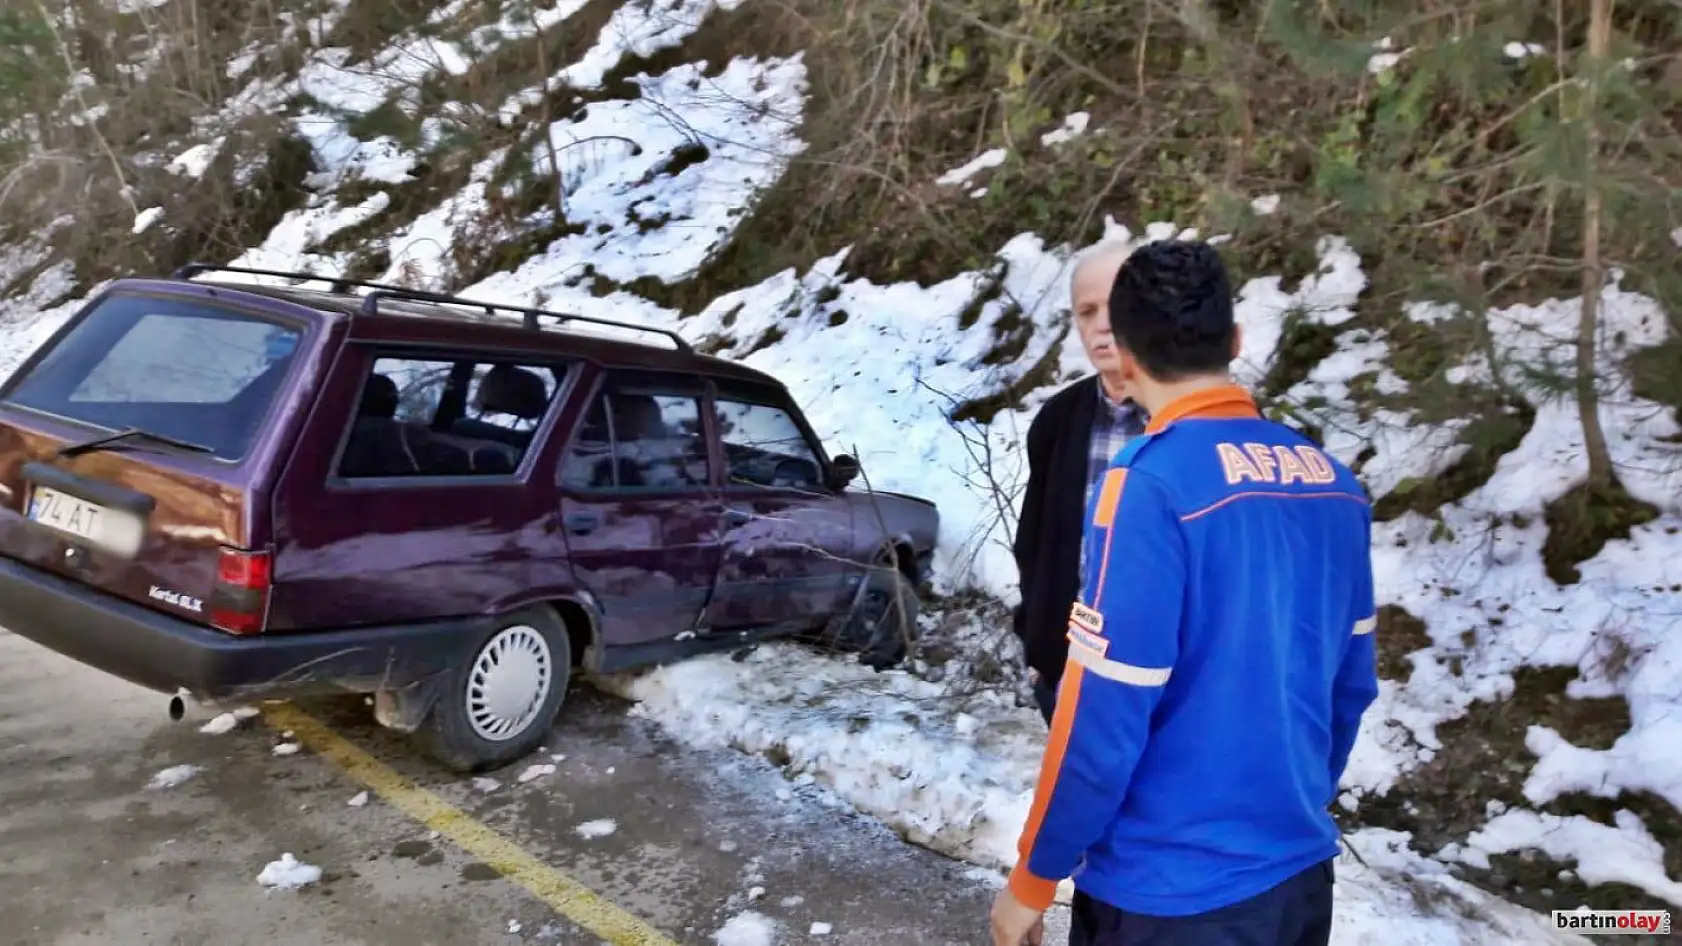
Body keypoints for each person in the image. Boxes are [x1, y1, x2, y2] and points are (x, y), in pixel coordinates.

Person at [989, 239, 1380, 946]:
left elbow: (1103, 717)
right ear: (1234, 340)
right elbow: (1349, 690)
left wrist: (1032, 880)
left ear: (1128, 357)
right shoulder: (1334, 482)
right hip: (1297, 876)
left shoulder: (1148, 484)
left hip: (1167, 894)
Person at [1013, 240, 1150, 724]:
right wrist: (1037, 648)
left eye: (1116, 306)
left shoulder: (1205, 423)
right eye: (1087, 312)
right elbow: (1034, 542)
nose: (1102, 326)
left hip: (1166, 686)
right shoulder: (1059, 420)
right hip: (1070, 674)